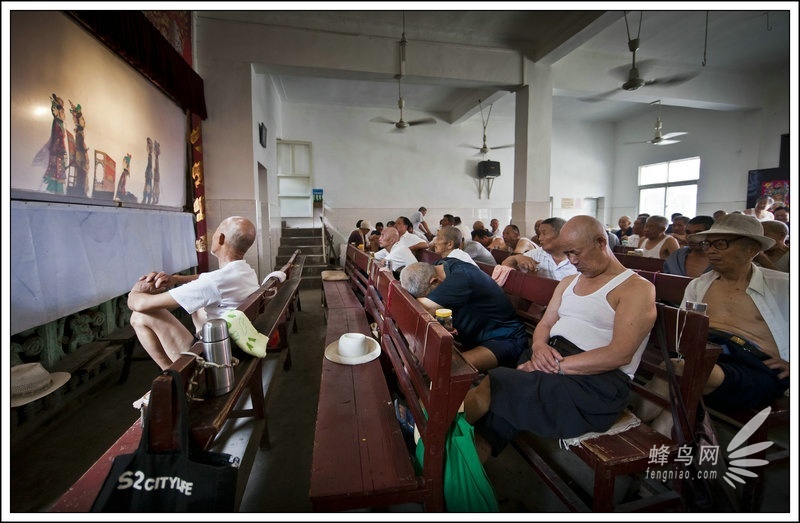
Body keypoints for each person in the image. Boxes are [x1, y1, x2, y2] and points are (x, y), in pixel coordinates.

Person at [463, 216, 656, 461]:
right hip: (553, 361)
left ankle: (431, 438)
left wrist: (555, 367)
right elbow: (545, 323)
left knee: (495, 384)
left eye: (577, 253)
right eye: (568, 254)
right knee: (499, 409)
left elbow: (620, 353)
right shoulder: (568, 282)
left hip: (595, 383)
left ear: (600, 242)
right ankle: (468, 465)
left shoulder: (635, 288)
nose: (573, 261)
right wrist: (539, 346)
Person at [639, 214, 789, 435]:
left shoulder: (782, 286)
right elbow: (684, 329)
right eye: (708, 243)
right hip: (707, 355)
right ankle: (648, 442)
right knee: (683, 383)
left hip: (756, 368)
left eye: (720, 244)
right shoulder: (699, 286)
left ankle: (629, 432)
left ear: (751, 249)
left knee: (678, 370)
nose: (710, 250)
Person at [128, 216, 258, 370]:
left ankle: (174, 378)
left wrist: (136, 290)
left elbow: (141, 304)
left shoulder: (212, 283)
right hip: (231, 343)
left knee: (140, 316)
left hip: (214, 356)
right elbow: (209, 280)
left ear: (221, 238)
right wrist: (176, 279)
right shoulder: (245, 271)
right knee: (200, 306)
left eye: (216, 231)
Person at [399, 260, 529, 372]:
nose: (431, 297)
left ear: (434, 281)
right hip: (473, 338)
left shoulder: (460, 279)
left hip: (505, 339)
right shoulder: (440, 266)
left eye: (427, 295)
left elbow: (415, 309)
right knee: (418, 360)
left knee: (439, 368)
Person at [501, 217, 577, 281]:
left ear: (561, 234)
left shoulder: (578, 260)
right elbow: (504, 265)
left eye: (544, 233)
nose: (540, 238)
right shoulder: (537, 254)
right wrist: (516, 258)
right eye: (539, 234)